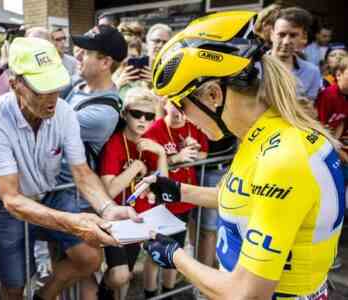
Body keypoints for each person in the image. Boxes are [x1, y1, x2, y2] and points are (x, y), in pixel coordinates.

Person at [143, 11, 344, 299]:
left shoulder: (283, 158)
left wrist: (175, 256)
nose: (181, 117)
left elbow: (247, 293)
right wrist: (177, 190)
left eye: (181, 104)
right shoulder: (264, 134)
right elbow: (247, 198)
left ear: (213, 94)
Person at [0, 37, 139, 300]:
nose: (52, 98)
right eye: (42, 90)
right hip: (4, 205)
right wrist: (74, 222)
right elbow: (11, 198)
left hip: (49, 191)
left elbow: (82, 171)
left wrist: (108, 208)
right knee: (14, 284)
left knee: (89, 258)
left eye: (55, 87)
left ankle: (44, 296)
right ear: (15, 83)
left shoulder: (63, 112)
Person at [57, 25, 127, 299]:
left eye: (86, 52)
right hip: (59, 189)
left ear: (106, 62)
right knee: (68, 265)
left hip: (77, 196)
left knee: (86, 270)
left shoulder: (104, 112)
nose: (77, 57)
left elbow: (48, 122)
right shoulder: (77, 85)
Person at [97, 87, 165, 300]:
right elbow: (108, 191)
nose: (143, 120)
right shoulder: (114, 143)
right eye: (137, 114)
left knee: (125, 276)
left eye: (149, 116)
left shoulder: (151, 142)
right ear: (125, 113)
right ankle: (102, 291)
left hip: (138, 217)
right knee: (119, 275)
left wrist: (161, 154)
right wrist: (135, 167)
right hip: (115, 218)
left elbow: (164, 187)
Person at [142, 96, 208, 298]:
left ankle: (168, 293)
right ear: (165, 104)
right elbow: (150, 166)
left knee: (176, 252)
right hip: (161, 203)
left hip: (186, 200)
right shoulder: (155, 130)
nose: (179, 112)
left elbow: (205, 153)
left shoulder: (193, 126)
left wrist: (194, 152)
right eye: (174, 106)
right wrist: (176, 159)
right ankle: (150, 294)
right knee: (155, 254)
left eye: (183, 107)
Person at [270, 7, 322, 100]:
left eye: (293, 35)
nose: (286, 41)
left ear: (304, 37)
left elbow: (308, 109)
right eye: (281, 35)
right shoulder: (254, 67)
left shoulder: (311, 72)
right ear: (272, 34)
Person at [316, 55, 348, 154]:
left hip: (334, 140)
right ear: (338, 75)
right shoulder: (328, 95)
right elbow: (319, 125)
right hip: (318, 139)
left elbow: (341, 122)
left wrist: (336, 144)